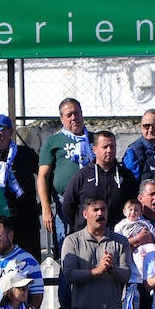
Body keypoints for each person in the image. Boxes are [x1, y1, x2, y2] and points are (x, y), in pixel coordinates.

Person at [0, 114, 41, 258]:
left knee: (28, 263)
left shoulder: (26, 153)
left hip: (26, 220)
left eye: (0, 127)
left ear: (11, 131)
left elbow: (45, 176)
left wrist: (43, 205)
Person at [61, 130, 137, 244]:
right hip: (88, 239)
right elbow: (68, 205)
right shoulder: (82, 175)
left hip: (117, 238)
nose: (109, 150)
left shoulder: (126, 175)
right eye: (105, 147)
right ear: (94, 150)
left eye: (112, 146)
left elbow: (134, 202)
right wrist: (80, 225)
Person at [38, 97, 95, 240]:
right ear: (62, 118)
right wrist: (46, 208)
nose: (74, 117)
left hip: (93, 201)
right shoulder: (53, 141)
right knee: (65, 245)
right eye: (69, 115)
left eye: (76, 113)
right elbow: (42, 176)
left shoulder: (96, 140)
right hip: (65, 202)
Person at [122, 109, 155, 178]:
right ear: (141, 127)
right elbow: (131, 181)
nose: (150, 130)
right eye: (146, 126)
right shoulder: (133, 152)